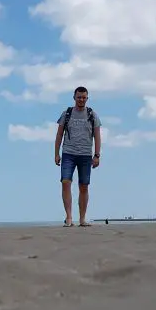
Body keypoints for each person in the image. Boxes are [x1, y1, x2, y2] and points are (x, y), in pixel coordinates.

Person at [54, 86, 102, 227]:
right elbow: (59, 134)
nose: (81, 99)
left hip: (86, 155)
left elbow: (97, 136)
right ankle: (69, 217)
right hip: (68, 153)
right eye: (79, 97)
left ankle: (82, 219)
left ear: (87, 98)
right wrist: (56, 153)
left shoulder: (92, 115)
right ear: (74, 97)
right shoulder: (67, 114)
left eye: (84, 97)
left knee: (84, 186)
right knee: (65, 182)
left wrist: (97, 155)